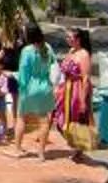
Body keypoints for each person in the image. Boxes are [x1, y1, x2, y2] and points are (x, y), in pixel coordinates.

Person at [56, 29, 100, 162]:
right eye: (67, 37)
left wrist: (82, 100)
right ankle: (76, 146)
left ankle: (79, 149)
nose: (67, 39)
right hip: (67, 88)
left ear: (78, 39)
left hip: (78, 89)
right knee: (60, 117)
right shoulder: (71, 52)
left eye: (70, 37)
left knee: (77, 118)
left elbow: (85, 78)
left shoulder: (84, 55)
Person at [13, 24, 57, 155]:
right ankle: (41, 153)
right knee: (44, 120)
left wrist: (21, 87)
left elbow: (23, 73)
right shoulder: (48, 47)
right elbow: (53, 64)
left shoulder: (27, 50)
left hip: (30, 87)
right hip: (45, 87)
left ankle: (17, 149)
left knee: (21, 118)